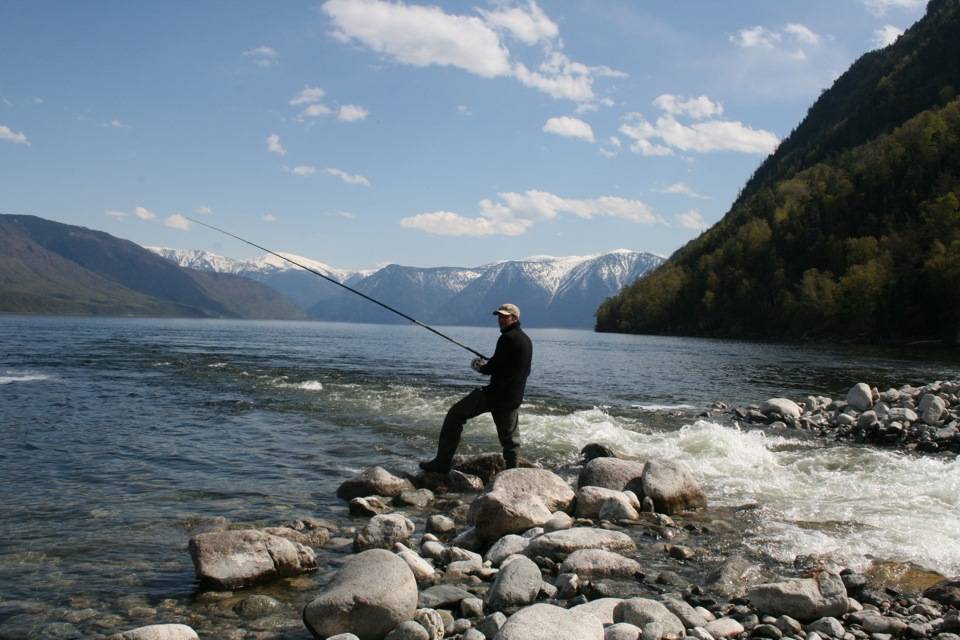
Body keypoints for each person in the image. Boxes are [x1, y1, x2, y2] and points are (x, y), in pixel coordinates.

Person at [419, 303, 533, 474]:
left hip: (494, 395)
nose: (501, 320)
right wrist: (493, 366)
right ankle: (513, 472)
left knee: (455, 415)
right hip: (513, 397)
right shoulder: (526, 340)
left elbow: (491, 368)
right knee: (510, 440)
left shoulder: (507, 338)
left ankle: (442, 463)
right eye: (499, 316)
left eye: (505, 316)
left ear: (514, 318)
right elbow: (520, 369)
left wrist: (479, 366)